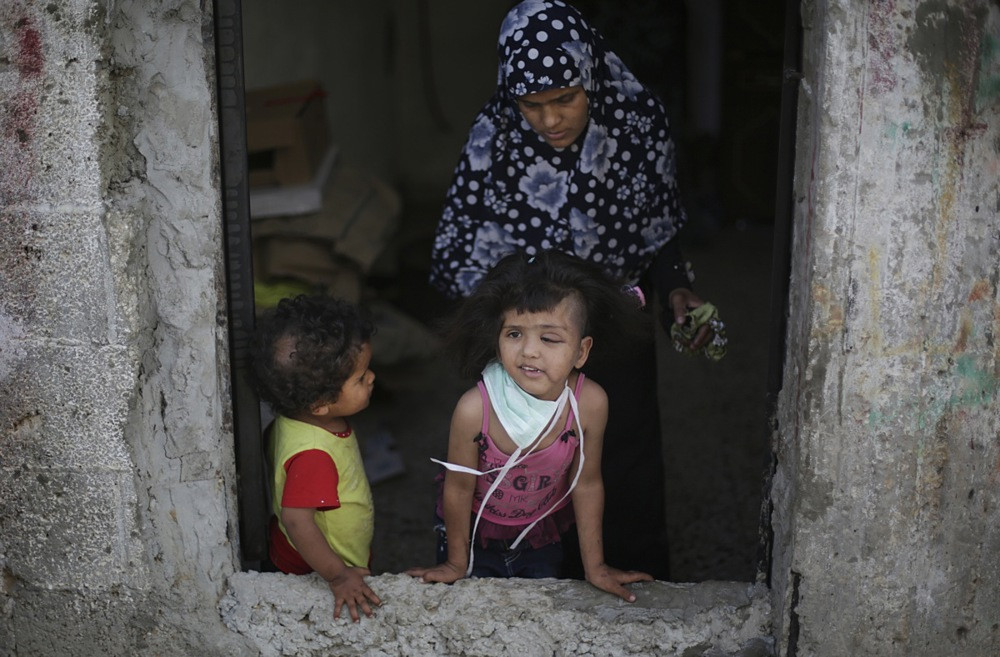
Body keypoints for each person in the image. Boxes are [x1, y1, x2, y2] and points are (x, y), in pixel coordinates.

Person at [427, 0, 716, 580]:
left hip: (613, 328)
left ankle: (631, 582)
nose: (550, 120)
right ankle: (529, 578)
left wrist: (678, 288)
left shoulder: (637, 122)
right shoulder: (495, 134)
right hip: (530, 325)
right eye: (532, 105)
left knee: (622, 456)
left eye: (566, 99)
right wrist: (508, 336)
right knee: (521, 460)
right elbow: (470, 243)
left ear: (590, 79)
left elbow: (657, 225)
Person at [407, 250, 654, 602]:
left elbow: (586, 482)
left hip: (541, 538)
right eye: (513, 334)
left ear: (582, 352)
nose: (529, 352)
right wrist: (456, 563)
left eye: (549, 339)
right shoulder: (474, 409)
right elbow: (459, 489)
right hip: (473, 537)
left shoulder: (589, 404)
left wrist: (595, 566)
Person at [249, 294, 382, 623]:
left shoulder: (292, 421)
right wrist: (338, 576)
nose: (372, 378)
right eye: (360, 378)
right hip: (317, 565)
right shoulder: (314, 456)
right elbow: (297, 521)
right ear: (320, 404)